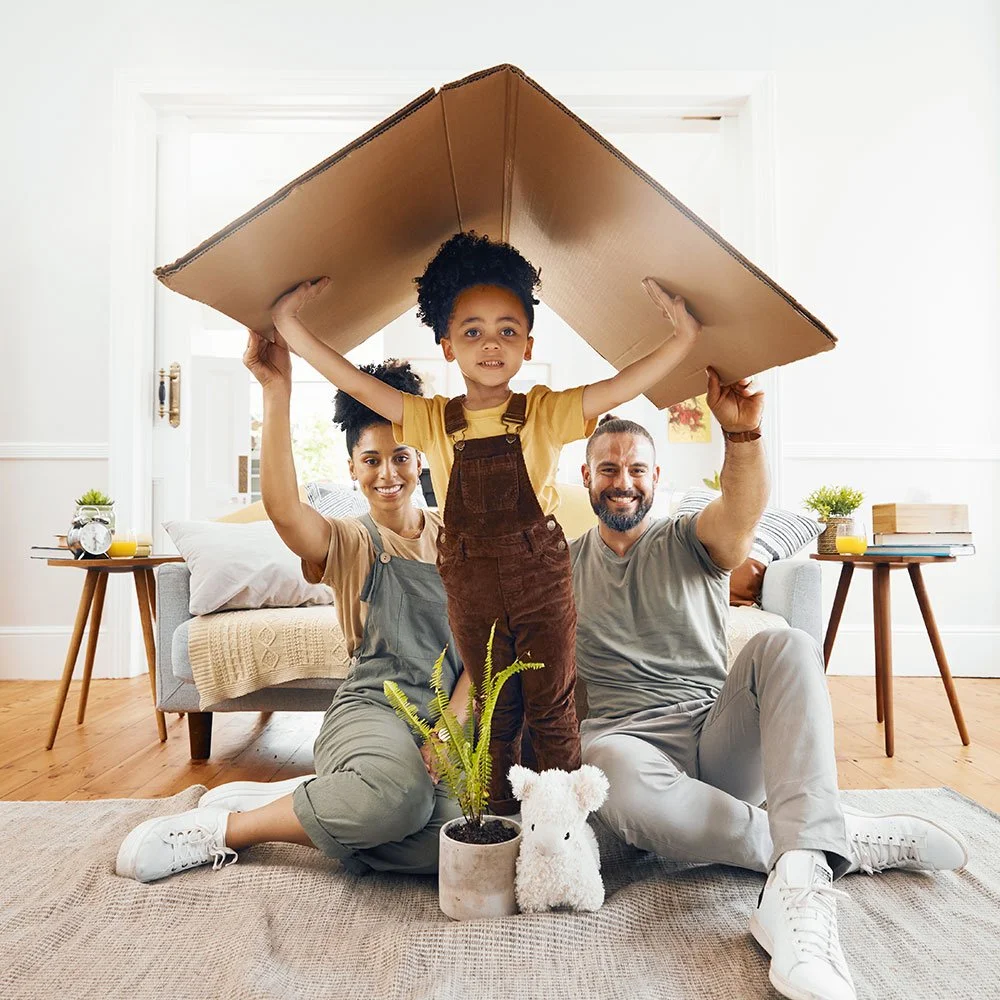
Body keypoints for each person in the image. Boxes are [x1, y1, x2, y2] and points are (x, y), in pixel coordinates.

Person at [271, 231, 700, 812]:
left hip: (540, 575)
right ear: (447, 345)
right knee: (496, 709)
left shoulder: (545, 410)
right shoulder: (427, 419)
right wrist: (291, 327)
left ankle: (561, 830)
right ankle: (496, 827)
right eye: (472, 330)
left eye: (507, 330)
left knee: (552, 703)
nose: (490, 344)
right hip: (470, 578)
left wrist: (683, 339)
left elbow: (623, 385)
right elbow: (351, 380)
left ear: (526, 344)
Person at [570, 376, 969, 1000]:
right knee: (606, 771)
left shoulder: (690, 538)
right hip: (627, 744)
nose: (623, 480)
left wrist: (743, 433)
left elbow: (742, 509)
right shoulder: (562, 565)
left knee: (788, 643)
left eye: (638, 469)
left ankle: (802, 882)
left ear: (656, 476)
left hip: (715, 736)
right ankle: (824, 838)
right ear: (586, 475)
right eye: (609, 468)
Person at [116, 338, 471, 883]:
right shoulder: (351, 542)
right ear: (352, 469)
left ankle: (318, 797)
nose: (387, 474)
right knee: (398, 805)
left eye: (400, 457)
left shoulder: (460, 539)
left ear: (420, 459)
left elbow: (478, 652)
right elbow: (284, 510)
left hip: (442, 717)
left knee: (454, 846)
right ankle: (227, 829)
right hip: (373, 711)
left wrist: (449, 729)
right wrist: (275, 389)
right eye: (371, 460)